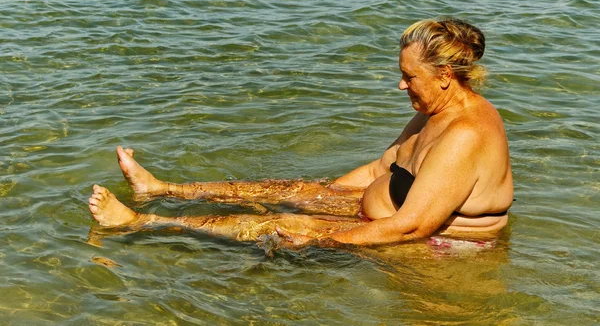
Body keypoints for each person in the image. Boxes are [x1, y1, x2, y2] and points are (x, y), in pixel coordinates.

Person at [88, 18, 514, 248]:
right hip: (389, 214)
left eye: (408, 77)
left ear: (443, 75)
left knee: (279, 226)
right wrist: (319, 192)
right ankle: (164, 188)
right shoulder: (434, 108)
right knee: (289, 188)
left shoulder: (466, 133)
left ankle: (143, 222)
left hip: (426, 243)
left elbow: (410, 228)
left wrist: (320, 236)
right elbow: (379, 170)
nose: (401, 85)